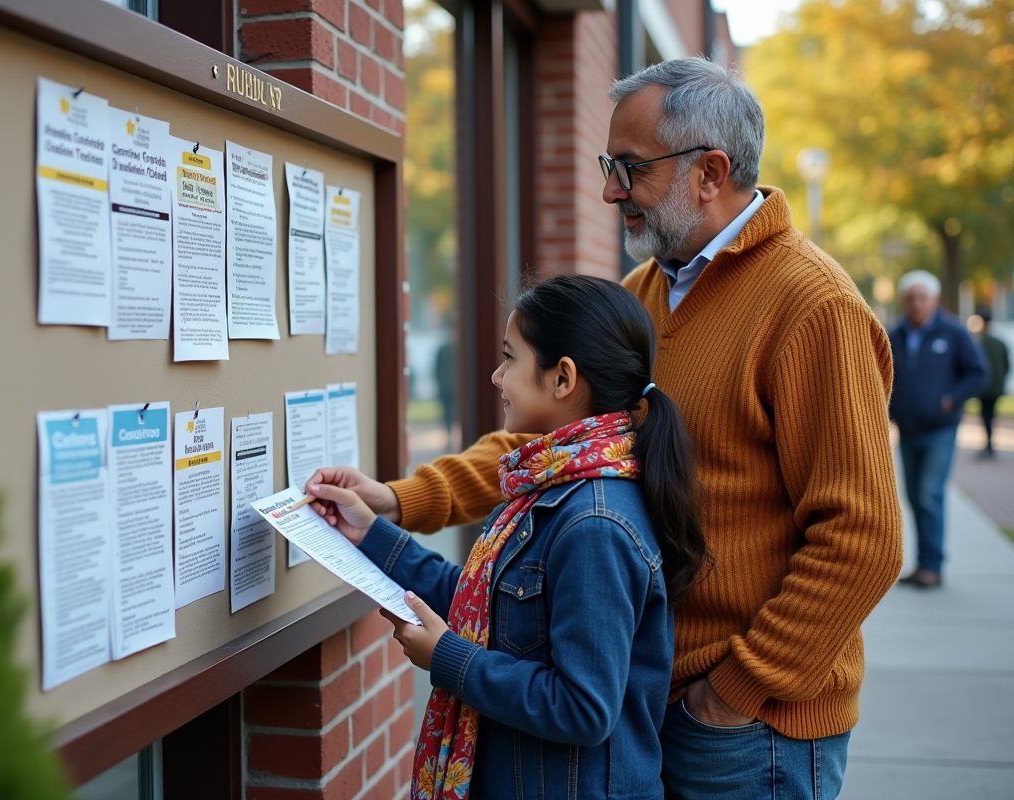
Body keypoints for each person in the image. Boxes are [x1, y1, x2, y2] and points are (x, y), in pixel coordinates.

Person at [308, 58, 904, 800]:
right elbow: (547, 445)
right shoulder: (649, 289)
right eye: (605, 164)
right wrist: (401, 500)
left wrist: (733, 694)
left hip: (751, 733)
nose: (608, 190)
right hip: (650, 698)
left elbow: (863, 538)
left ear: (710, 173)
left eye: (628, 167)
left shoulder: (815, 309)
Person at [308, 275, 708, 800]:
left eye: (509, 358)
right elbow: (488, 602)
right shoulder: (551, 487)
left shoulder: (594, 526)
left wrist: (449, 657)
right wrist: (370, 533)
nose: (497, 376)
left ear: (562, 378)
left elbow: (583, 709)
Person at [888, 271, 988, 587]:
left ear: (935, 300)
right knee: (915, 497)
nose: (916, 304)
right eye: (910, 298)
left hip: (940, 431)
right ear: (904, 301)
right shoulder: (894, 334)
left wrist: (950, 399)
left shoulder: (954, 333)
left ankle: (932, 565)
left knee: (930, 493)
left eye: (922, 297)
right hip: (907, 429)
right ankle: (923, 563)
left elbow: (978, 373)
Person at [975, 307, 1010, 458]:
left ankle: (988, 445)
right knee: (991, 414)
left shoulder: (980, 342)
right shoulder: (1000, 342)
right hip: (997, 386)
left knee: (986, 415)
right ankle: (990, 444)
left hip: (985, 387)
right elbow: (1007, 364)